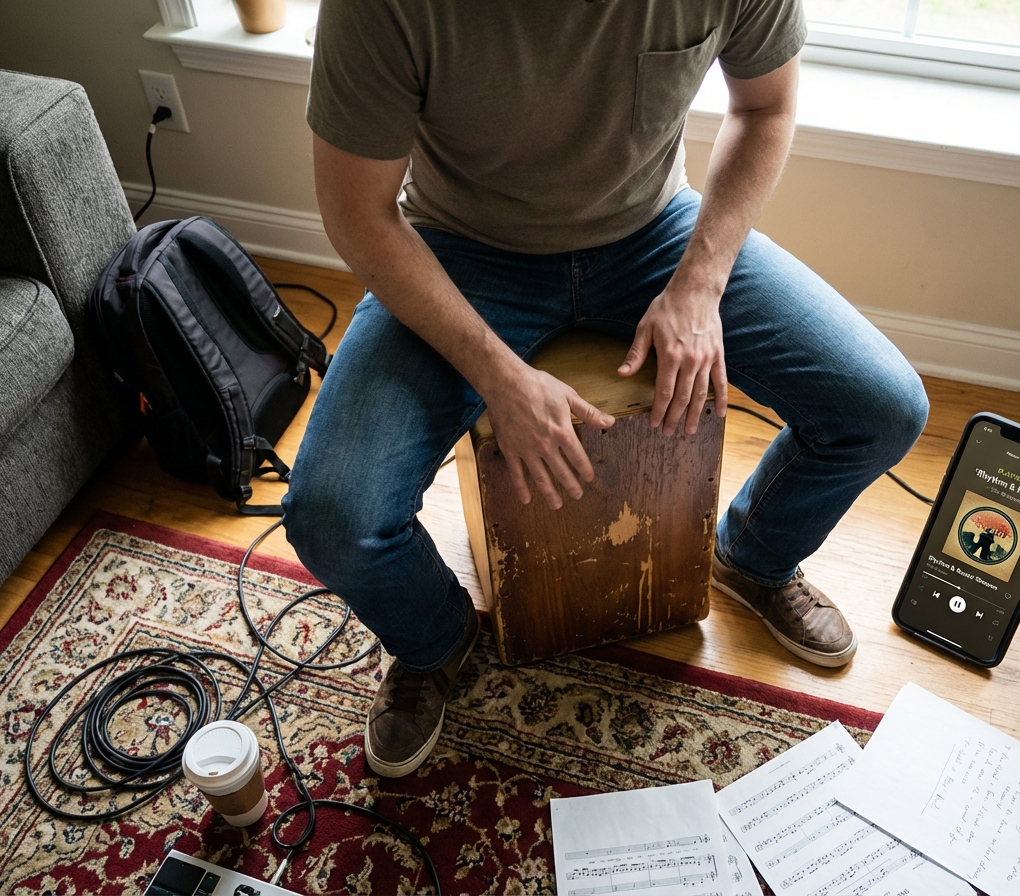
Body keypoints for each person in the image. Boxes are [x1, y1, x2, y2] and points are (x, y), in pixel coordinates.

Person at [283, 0, 930, 779]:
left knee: (884, 408)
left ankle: (753, 556)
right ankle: (436, 639)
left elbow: (767, 106)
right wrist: (497, 374)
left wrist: (700, 283)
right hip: (464, 250)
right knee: (331, 519)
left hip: (653, 234)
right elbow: (357, 213)